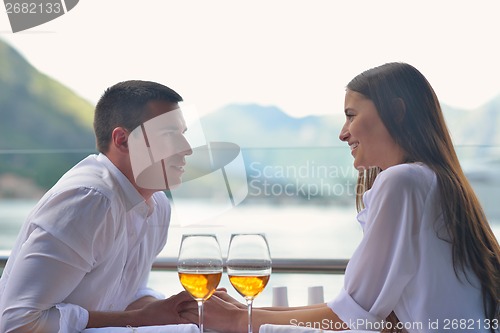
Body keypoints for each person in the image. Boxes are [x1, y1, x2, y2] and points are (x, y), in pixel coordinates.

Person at [193, 63, 500, 333]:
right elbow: (356, 310)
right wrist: (244, 312)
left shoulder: (402, 182)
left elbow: (354, 316)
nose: (342, 133)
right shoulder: (436, 181)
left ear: (396, 112)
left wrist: (236, 322)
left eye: (351, 116)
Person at [0, 80, 195, 332]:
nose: (186, 149)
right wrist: (140, 318)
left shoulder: (157, 205)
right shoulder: (89, 200)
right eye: (169, 135)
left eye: (183, 135)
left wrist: (180, 308)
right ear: (123, 141)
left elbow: (124, 294)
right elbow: (16, 322)